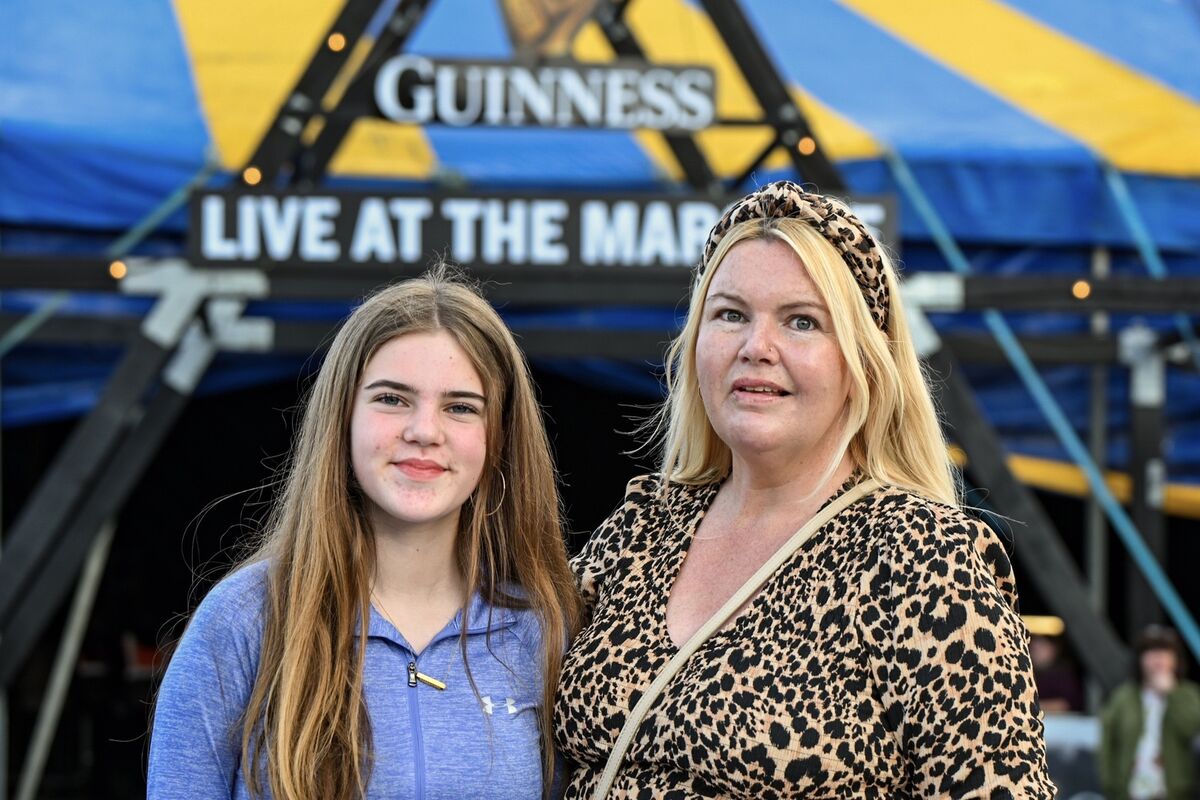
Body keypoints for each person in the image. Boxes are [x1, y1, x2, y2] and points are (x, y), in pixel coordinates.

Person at [553, 181, 1055, 798]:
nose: (756, 347)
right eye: (731, 314)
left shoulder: (924, 558)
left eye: (801, 322)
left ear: (863, 365)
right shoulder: (643, 528)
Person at [149, 265, 581, 799]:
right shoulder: (244, 620)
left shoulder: (545, 631)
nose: (424, 431)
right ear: (343, 418)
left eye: (461, 407)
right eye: (392, 399)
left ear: (499, 438)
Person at [1099, 624, 1200, 800]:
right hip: (1130, 791)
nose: (1158, 659)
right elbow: (1107, 742)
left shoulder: (1188, 694)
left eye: (1166, 653)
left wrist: (1173, 693)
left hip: (1175, 792)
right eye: (1151, 652)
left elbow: (1191, 729)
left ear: (1176, 659)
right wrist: (1111, 785)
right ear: (1140, 659)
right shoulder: (1124, 697)